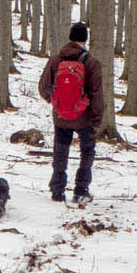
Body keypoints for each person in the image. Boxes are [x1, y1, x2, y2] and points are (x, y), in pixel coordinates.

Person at [38, 22, 101, 203]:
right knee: (87, 152)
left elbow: (43, 88)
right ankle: (81, 191)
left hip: (61, 117)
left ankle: (57, 191)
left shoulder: (56, 60)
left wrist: (55, 102)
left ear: (70, 37)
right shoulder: (92, 63)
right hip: (85, 117)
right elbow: (97, 95)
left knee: (60, 151)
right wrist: (96, 120)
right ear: (85, 39)